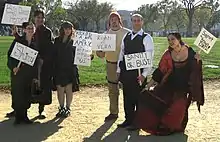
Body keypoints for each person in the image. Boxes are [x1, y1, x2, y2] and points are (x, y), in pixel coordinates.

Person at [132, 32, 204, 135]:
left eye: (173, 39)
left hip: (183, 87)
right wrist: (149, 85)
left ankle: (176, 127)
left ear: (179, 39)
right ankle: (162, 126)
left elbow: (195, 70)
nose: (170, 42)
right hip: (168, 85)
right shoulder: (167, 54)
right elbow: (160, 71)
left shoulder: (190, 52)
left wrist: (198, 61)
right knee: (154, 99)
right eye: (169, 40)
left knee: (179, 107)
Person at [12, 9, 54, 119]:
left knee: (42, 85)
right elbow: (23, 41)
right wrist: (15, 33)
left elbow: (50, 47)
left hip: (42, 62)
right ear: (34, 18)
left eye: (41, 18)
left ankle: (41, 110)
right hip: (30, 62)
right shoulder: (30, 29)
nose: (40, 19)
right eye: (37, 17)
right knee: (27, 85)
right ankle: (20, 109)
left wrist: (44, 59)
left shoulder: (47, 31)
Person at [116, 14, 154, 128]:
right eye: (134, 20)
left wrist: (144, 75)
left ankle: (138, 122)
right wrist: (118, 70)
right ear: (131, 22)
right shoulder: (126, 36)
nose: (136, 22)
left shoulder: (146, 37)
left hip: (139, 73)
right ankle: (129, 119)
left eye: (138, 20)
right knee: (127, 96)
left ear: (142, 22)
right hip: (126, 72)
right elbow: (121, 53)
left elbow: (149, 56)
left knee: (138, 97)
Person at [96, 11, 131, 121]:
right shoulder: (105, 35)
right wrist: (99, 50)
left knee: (128, 90)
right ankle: (113, 112)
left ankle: (129, 115)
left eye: (116, 19)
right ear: (109, 22)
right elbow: (101, 55)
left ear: (119, 21)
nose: (114, 21)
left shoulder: (128, 33)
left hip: (125, 65)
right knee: (112, 90)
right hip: (111, 64)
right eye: (112, 20)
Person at [7, 22, 37, 125]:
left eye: (32, 29)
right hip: (17, 73)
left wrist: (35, 76)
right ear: (24, 30)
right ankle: (18, 117)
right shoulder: (18, 41)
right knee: (17, 94)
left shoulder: (35, 44)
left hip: (28, 74)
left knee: (26, 94)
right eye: (28, 28)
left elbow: (36, 60)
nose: (30, 30)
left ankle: (24, 116)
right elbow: (10, 55)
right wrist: (13, 67)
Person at [53, 21, 80, 118]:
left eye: (69, 29)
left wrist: (88, 56)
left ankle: (68, 108)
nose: (68, 30)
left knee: (69, 89)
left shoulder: (75, 41)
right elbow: (54, 54)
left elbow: (80, 54)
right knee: (60, 89)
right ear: (62, 29)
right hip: (59, 68)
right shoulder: (57, 40)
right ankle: (61, 107)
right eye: (66, 28)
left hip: (70, 68)